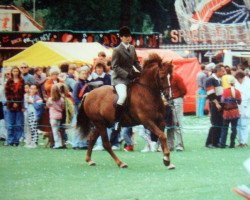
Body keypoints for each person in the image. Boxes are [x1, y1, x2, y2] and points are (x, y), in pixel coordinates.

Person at [111, 26, 142, 131]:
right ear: (121, 37)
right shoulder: (117, 50)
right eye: (125, 36)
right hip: (119, 79)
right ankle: (117, 120)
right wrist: (126, 74)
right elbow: (114, 67)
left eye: (129, 36)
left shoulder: (132, 48)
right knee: (123, 96)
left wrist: (142, 72)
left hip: (131, 77)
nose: (128, 38)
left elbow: (136, 62)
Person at [164, 64, 187, 151]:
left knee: (177, 122)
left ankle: (179, 144)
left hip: (176, 100)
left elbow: (184, 90)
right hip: (168, 101)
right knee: (169, 123)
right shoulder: (165, 78)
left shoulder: (176, 77)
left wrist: (176, 97)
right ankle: (170, 145)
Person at [205, 64, 225, 148]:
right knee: (215, 123)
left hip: (220, 104)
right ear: (218, 71)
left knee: (220, 122)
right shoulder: (210, 79)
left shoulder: (219, 79)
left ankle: (217, 142)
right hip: (214, 104)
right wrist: (216, 103)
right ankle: (210, 143)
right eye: (223, 71)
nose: (224, 72)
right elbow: (211, 94)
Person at [4, 66, 25, 146]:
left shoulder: (22, 81)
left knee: (19, 124)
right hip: (10, 105)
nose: (15, 72)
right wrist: (13, 102)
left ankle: (16, 141)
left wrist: (19, 103)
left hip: (19, 106)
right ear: (12, 72)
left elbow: (23, 93)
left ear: (18, 72)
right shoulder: (9, 81)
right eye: (14, 71)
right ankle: (10, 140)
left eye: (17, 71)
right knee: (10, 125)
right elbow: (7, 93)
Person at [220, 75, 241, 148]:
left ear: (228, 82)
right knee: (234, 129)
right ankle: (232, 144)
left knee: (224, 128)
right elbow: (239, 102)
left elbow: (222, 101)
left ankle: (222, 144)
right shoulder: (237, 91)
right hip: (235, 113)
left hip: (227, 113)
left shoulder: (225, 91)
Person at [46, 84, 65, 149]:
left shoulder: (50, 99)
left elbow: (47, 106)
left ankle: (57, 144)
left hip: (53, 116)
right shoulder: (61, 99)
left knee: (54, 131)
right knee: (58, 130)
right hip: (59, 115)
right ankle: (60, 143)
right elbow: (63, 107)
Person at [235, 71, 250, 147]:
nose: (238, 81)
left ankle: (243, 142)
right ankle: (240, 141)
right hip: (238, 106)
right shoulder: (237, 83)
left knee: (244, 125)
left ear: (242, 78)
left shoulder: (248, 83)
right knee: (238, 124)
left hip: (246, 107)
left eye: (238, 79)